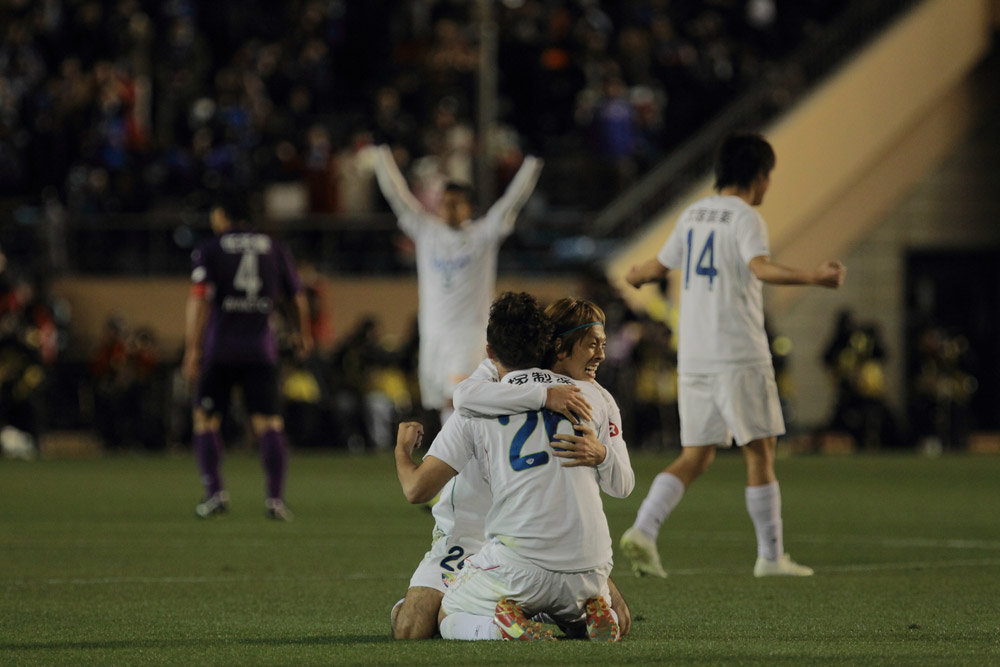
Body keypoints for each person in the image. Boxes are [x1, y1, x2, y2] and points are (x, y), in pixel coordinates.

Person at [619, 132, 846, 578]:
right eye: (769, 176)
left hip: (696, 358)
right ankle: (771, 556)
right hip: (739, 354)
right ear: (759, 176)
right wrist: (814, 276)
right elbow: (758, 267)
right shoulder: (745, 218)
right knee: (760, 453)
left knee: (696, 456)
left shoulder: (693, 215)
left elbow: (654, 268)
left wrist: (634, 274)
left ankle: (643, 530)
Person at [394, 292, 633, 641]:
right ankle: (574, 610)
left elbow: (417, 489)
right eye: (592, 344)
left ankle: (504, 623)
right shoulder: (586, 395)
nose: (600, 354)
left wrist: (401, 450)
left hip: (515, 543)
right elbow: (623, 486)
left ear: (489, 350)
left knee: (428, 625)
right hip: (486, 534)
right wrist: (545, 397)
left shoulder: (475, 402)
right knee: (615, 616)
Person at [373, 145, 543, 424]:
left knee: (460, 398)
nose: (448, 209)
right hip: (433, 334)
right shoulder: (427, 231)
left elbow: (512, 200)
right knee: (443, 402)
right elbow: (397, 195)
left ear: (469, 208)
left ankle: (462, 465)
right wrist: (381, 156)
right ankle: (456, 464)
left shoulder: (482, 234)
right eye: (444, 203)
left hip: (468, 335)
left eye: (456, 204)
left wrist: (532, 163)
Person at [181, 195, 313, 521]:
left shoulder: (210, 248)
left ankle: (214, 493)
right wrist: (302, 333)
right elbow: (296, 297)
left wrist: (192, 348)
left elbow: (199, 300)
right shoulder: (274, 247)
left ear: (222, 214)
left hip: (220, 349)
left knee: (205, 419)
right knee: (268, 423)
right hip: (260, 349)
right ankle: (275, 500)